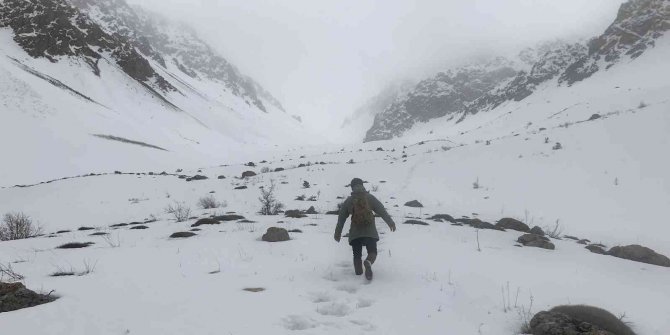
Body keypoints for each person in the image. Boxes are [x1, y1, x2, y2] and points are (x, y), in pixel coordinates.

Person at [334, 178, 397, 280]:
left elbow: (341, 218)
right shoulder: (370, 197)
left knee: (357, 255)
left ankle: (358, 275)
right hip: (370, 232)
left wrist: (337, 232)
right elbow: (381, 210)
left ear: (352, 187)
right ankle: (368, 262)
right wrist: (390, 222)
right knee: (372, 251)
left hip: (355, 234)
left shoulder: (349, 201)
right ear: (362, 185)